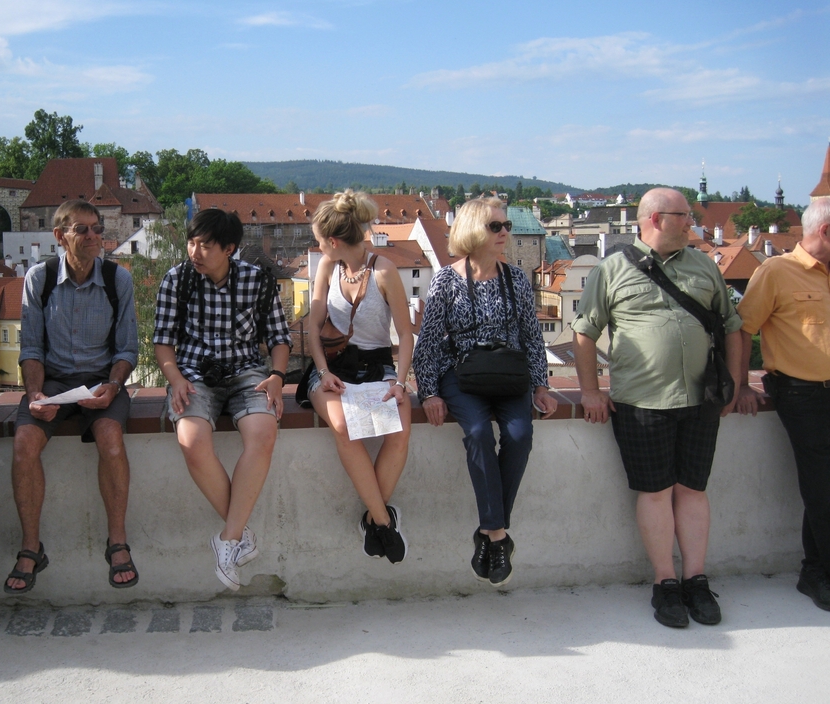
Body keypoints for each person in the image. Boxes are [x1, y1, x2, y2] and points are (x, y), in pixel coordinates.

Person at [573, 187, 741, 628]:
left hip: (701, 398)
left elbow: (733, 326)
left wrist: (736, 386)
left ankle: (696, 579)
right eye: (683, 216)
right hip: (641, 401)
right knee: (656, 491)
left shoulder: (705, 264)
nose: (692, 223)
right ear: (653, 219)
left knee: (693, 489)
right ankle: (665, 582)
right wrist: (590, 392)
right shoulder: (612, 269)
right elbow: (584, 333)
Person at [413, 197, 556, 587]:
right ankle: (498, 537)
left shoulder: (516, 279)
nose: (505, 233)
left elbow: (531, 337)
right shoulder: (447, 278)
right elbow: (426, 343)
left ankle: (492, 532)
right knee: (476, 431)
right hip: (462, 374)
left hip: (508, 375)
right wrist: (428, 393)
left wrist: (542, 385)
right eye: (496, 227)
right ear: (474, 231)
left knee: (519, 435)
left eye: (506, 226)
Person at [5, 200, 139, 594]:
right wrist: (36, 394)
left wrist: (112, 386)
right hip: (53, 381)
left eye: (97, 228)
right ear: (60, 236)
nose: (94, 236)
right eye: (83, 230)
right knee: (23, 444)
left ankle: (117, 542)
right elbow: (30, 348)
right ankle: (31, 547)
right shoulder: (39, 278)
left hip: (101, 380)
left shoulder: (118, 280)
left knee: (111, 441)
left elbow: (127, 351)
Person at [154, 208, 291, 591]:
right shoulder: (178, 280)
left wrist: (277, 377)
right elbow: (162, 341)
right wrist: (176, 378)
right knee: (192, 441)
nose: (195, 252)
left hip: (247, 371)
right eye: (192, 242)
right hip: (194, 374)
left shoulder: (256, 280)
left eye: (205, 245)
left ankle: (228, 539)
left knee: (263, 434)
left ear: (229, 249)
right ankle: (239, 534)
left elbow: (280, 338)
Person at [304, 190, 413, 563]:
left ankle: (372, 519)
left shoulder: (384, 271)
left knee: (399, 431)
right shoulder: (327, 268)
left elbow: (405, 333)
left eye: (319, 240)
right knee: (343, 426)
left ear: (333, 241)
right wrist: (322, 371)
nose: (318, 246)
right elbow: (313, 327)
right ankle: (384, 521)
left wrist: (399, 384)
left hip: (376, 365)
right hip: (332, 366)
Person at [735, 198, 830, 612]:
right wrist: (740, 384)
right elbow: (742, 329)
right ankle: (818, 574)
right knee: (822, 486)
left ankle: (816, 569)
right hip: (803, 393)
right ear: (825, 231)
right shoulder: (776, 271)